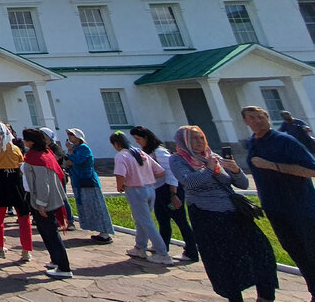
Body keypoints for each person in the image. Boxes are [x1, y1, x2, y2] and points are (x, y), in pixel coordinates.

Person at [171, 125, 276, 302]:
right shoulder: (178, 159)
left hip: (234, 213)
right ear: (185, 141)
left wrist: (235, 170)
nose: (199, 142)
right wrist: (209, 169)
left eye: (201, 138)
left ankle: (265, 296)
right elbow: (189, 183)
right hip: (206, 214)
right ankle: (234, 297)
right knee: (223, 260)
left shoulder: (214, 157)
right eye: (194, 138)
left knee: (261, 251)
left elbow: (242, 184)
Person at [243, 105, 315, 297]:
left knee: (311, 249)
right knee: (296, 251)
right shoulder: (252, 143)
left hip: (301, 207)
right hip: (275, 209)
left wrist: (273, 166)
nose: (258, 121)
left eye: (261, 117)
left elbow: (311, 170)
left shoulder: (284, 140)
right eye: (252, 118)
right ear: (246, 122)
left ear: (268, 118)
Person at [131, 125, 198, 262]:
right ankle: (162, 246)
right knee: (163, 220)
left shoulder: (160, 152)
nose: (137, 141)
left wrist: (173, 194)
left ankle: (192, 251)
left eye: (138, 139)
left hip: (169, 190)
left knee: (181, 221)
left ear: (146, 137)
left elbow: (171, 172)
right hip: (159, 190)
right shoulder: (148, 152)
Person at [110, 130, 172, 264]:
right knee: (141, 220)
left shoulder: (122, 156)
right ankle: (140, 247)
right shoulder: (141, 153)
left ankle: (162, 253)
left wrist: (120, 186)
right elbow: (160, 171)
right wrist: (145, 177)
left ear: (116, 144)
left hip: (135, 190)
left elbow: (120, 175)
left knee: (146, 222)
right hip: (150, 189)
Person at [20, 128, 73, 278]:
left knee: (50, 233)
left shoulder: (37, 158)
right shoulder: (44, 153)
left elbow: (43, 183)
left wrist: (41, 203)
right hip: (44, 198)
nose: (24, 142)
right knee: (46, 232)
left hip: (43, 200)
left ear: (32, 141)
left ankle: (64, 267)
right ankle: (56, 260)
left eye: (26, 139)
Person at [0, 121, 33, 260]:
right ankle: (26, 250)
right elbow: (20, 165)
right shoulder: (15, 148)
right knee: (23, 217)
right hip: (16, 182)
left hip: (0, 182)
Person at [64, 128, 113, 243]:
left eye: (72, 134)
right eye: (69, 134)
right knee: (88, 207)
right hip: (79, 181)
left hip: (88, 181)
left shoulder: (84, 149)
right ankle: (100, 231)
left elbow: (77, 161)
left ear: (78, 137)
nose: (70, 137)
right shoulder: (76, 149)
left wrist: (70, 152)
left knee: (96, 206)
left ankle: (105, 233)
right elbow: (69, 162)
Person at [39, 127, 73, 230]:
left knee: (62, 199)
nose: (43, 139)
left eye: (44, 137)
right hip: (48, 176)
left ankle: (70, 221)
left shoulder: (55, 147)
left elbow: (58, 157)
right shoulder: (43, 148)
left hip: (58, 176)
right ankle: (57, 220)